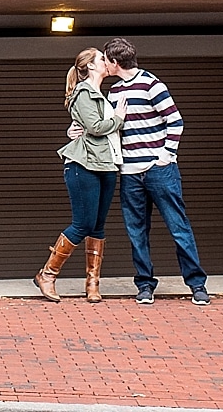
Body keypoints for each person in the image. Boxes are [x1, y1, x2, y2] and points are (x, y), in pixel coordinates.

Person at [103, 36, 210, 306]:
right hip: (129, 173)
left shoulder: (152, 84)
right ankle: (144, 285)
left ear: (115, 62)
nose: (104, 64)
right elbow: (112, 128)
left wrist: (165, 156)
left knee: (178, 227)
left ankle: (197, 285)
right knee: (136, 231)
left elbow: (175, 121)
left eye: (106, 60)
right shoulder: (113, 92)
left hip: (159, 170)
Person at [33, 48, 127, 303]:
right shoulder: (83, 93)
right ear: (91, 66)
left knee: (97, 226)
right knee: (83, 224)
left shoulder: (100, 95)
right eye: (102, 59)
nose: (106, 63)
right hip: (83, 164)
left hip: (107, 164)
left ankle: (92, 283)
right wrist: (119, 118)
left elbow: (92, 128)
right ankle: (47, 275)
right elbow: (96, 128)